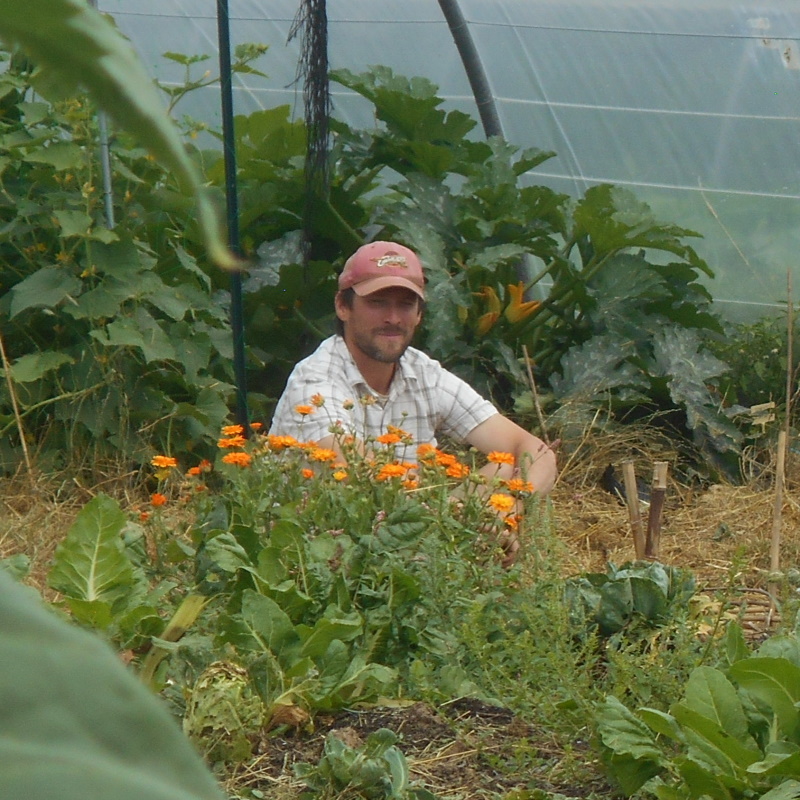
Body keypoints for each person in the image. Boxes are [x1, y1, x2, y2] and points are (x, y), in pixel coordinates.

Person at [269, 241, 558, 505]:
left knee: (505, 468)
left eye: (405, 305)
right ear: (343, 307)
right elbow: (363, 472)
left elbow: (536, 451)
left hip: (407, 530)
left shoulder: (422, 372)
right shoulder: (315, 381)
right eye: (377, 302)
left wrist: (512, 508)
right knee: (499, 472)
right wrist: (476, 500)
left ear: (419, 314)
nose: (393, 318)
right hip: (317, 547)